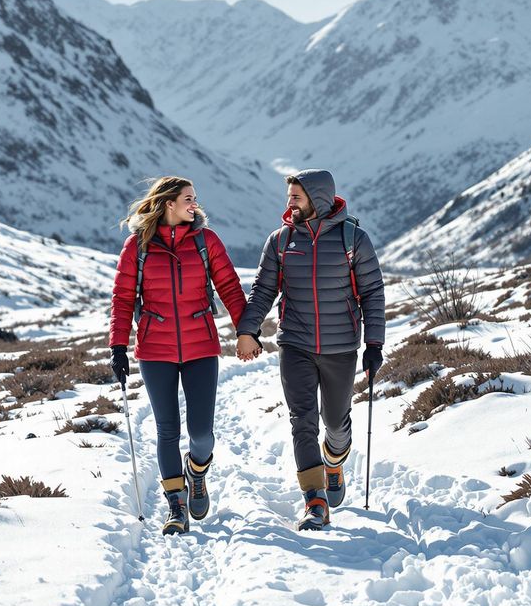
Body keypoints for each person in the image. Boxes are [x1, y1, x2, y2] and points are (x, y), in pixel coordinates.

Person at [235, 169, 385, 530]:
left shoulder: (354, 239)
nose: (289, 203)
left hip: (341, 348)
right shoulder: (281, 241)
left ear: (316, 199)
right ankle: (315, 501)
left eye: (296, 197)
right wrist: (248, 329)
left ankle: (333, 462)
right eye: (289, 197)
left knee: (335, 422)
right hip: (295, 345)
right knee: (302, 422)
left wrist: (374, 343)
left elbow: (373, 293)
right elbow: (263, 291)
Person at [108, 176, 247, 535]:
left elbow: (230, 286)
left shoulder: (205, 241)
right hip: (155, 351)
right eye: (189, 198)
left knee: (201, 433)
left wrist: (246, 330)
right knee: (167, 430)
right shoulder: (137, 246)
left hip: (201, 345)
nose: (195, 205)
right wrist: (118, 346)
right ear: (169, 203)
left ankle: (197, 472)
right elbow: (123, 299)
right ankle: (176, 506)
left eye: (195, 199)